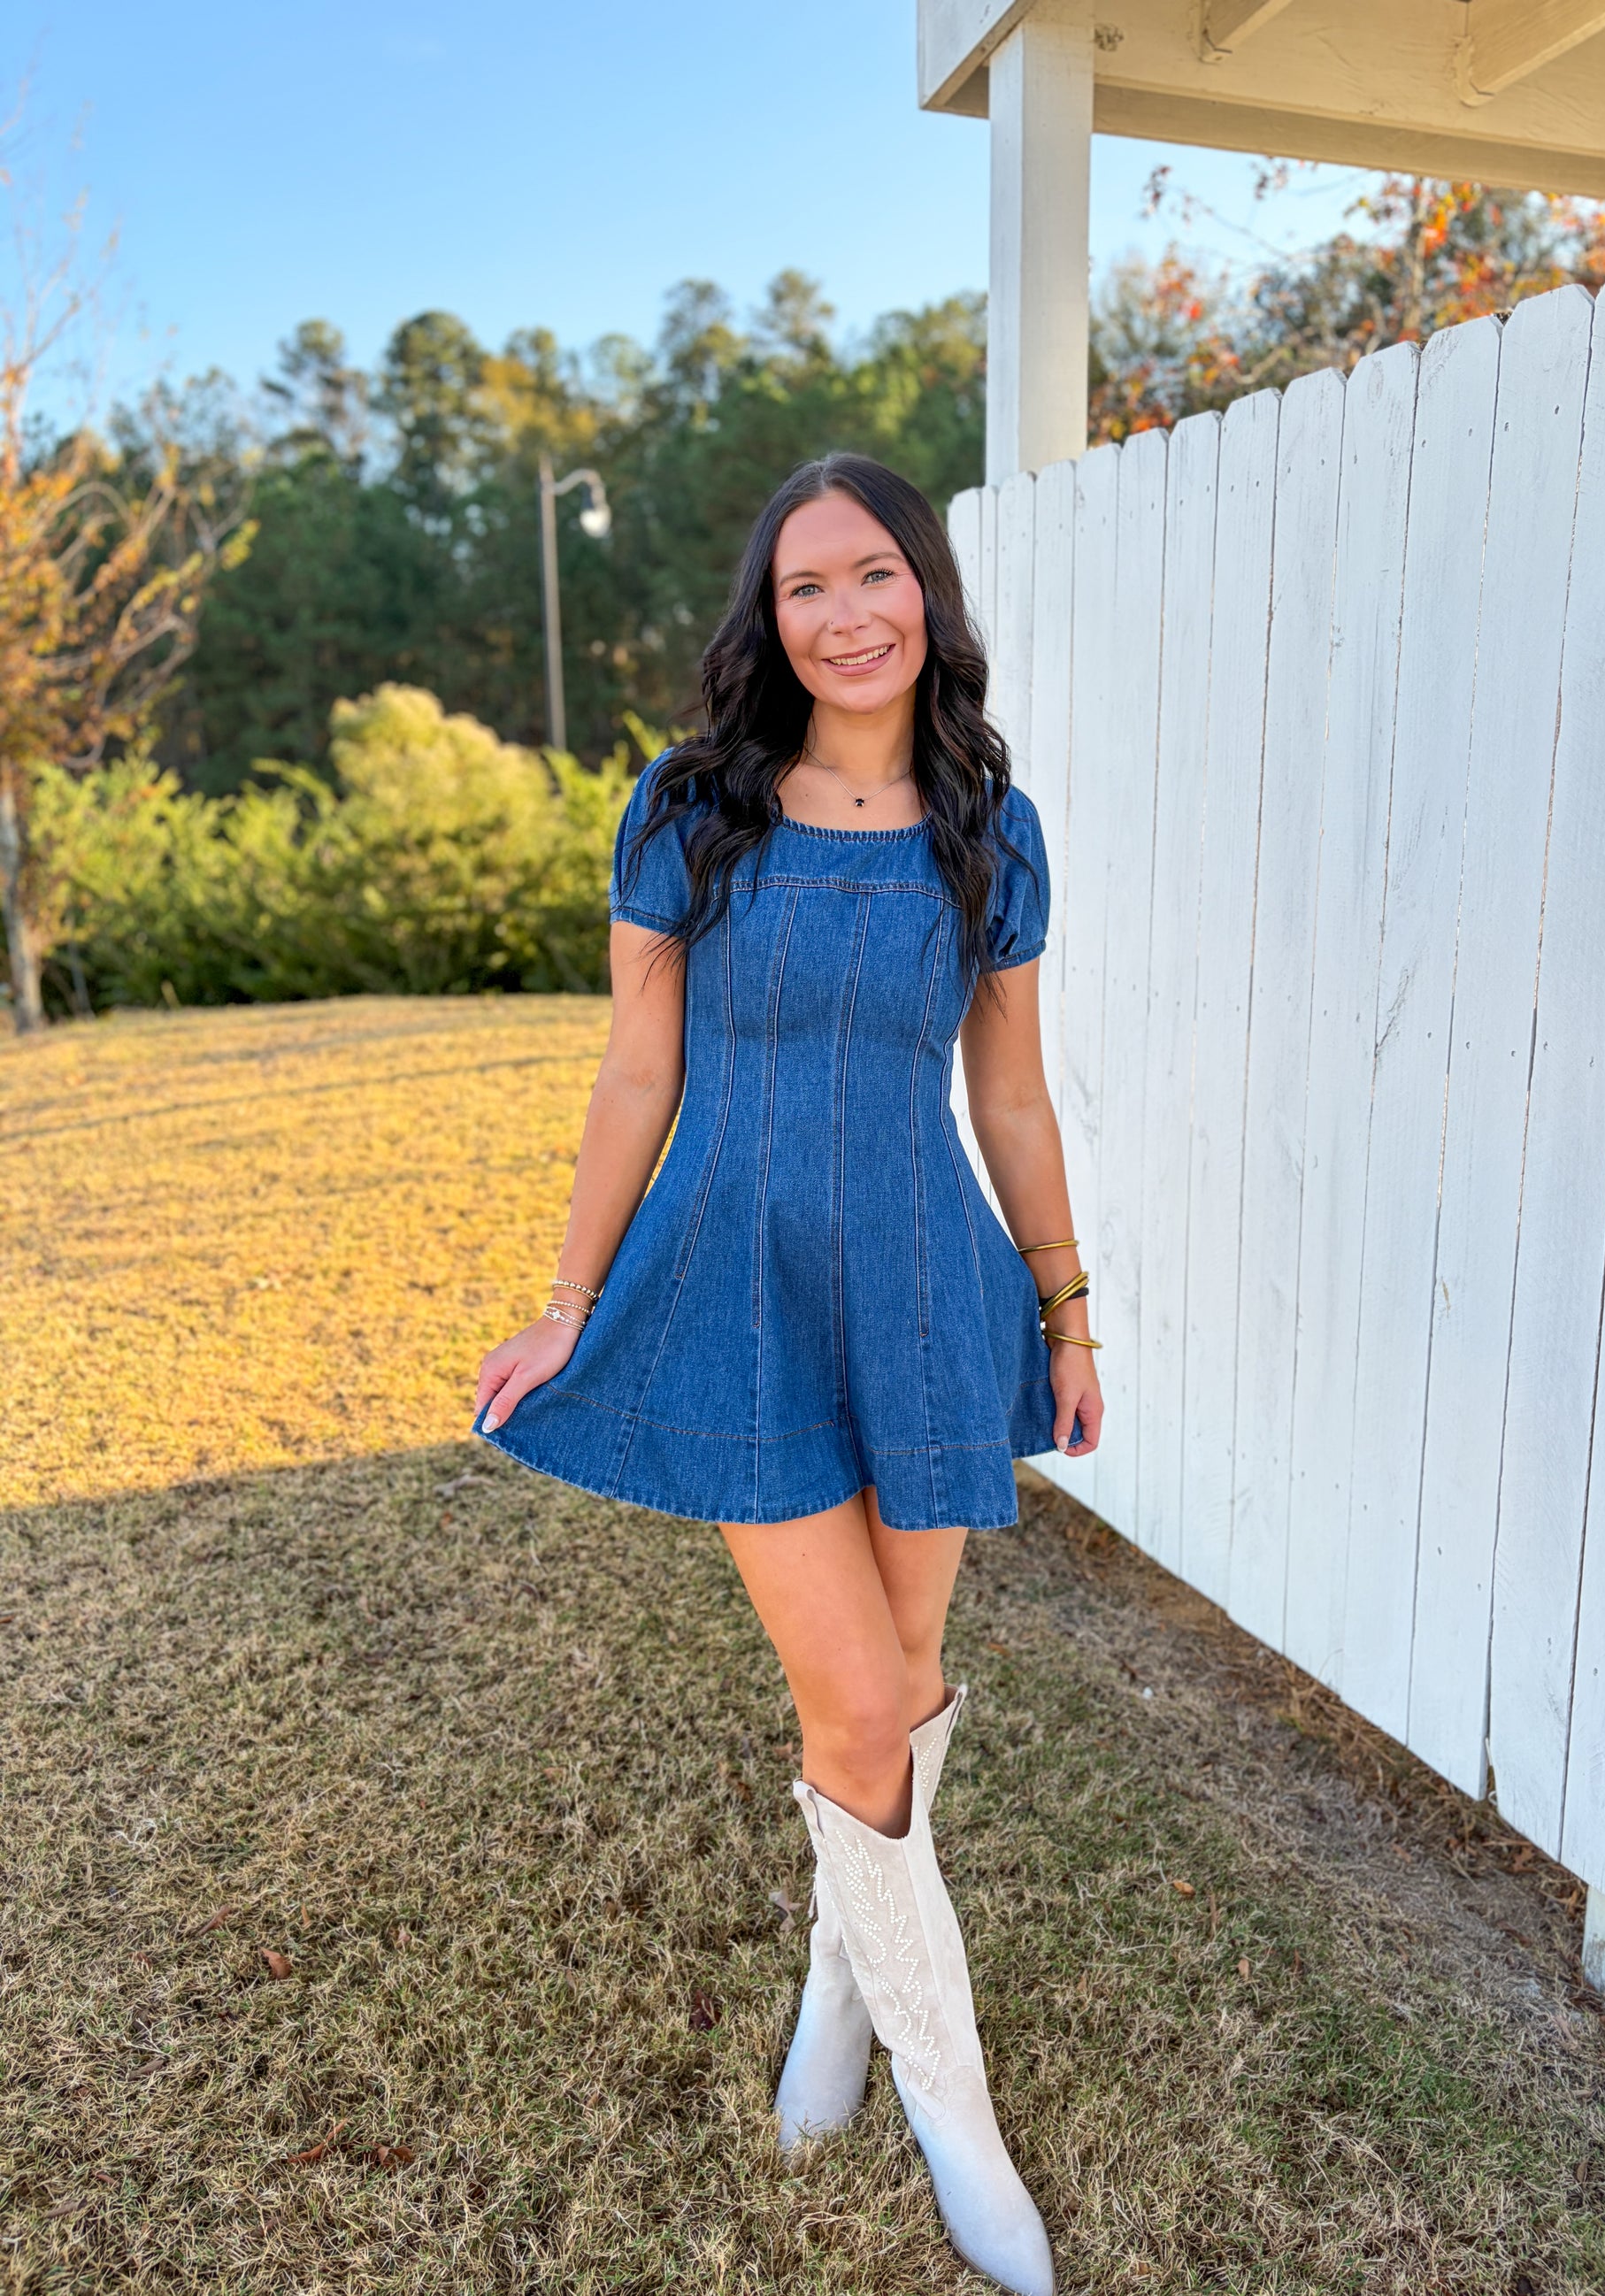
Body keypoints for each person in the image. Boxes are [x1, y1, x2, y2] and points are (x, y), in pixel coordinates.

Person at [474, 451, 1102, 2296]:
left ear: (927, 595)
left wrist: (1067, 1313)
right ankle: (952, 2105)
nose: (845, 613)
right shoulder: (692, 810)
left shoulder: (988, 823)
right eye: (805, 584)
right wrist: (571, 1299)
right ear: (768, 615)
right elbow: (635, 1071)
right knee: (857, 1695)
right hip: (739, 1284)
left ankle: (841, 1993)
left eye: (875, 573)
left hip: (922, 1288)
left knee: (901, 1682)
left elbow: (1009, 1096)